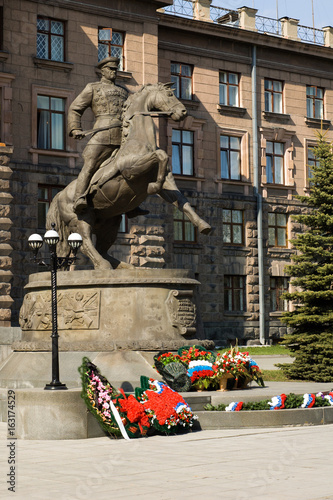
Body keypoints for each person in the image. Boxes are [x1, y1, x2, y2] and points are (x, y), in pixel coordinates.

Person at [68, 56, 129, 214]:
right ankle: (79, 197)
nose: (113, 72)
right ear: (102, 71)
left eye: (115, 70)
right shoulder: (93, 88)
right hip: (102, 133)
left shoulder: (124, 92)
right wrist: (75, 129)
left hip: (123, 136)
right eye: (110, 69)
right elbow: (75, 108)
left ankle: (132, 204)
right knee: (90, 165)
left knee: (133, 166)